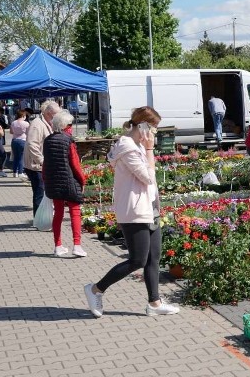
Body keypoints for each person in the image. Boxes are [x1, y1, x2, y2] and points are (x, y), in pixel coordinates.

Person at [83, 106, 179, 318]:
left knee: (154, 257)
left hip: (149, 208)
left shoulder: (136, 145)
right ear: (143, 126)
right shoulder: (128, 148)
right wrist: (150, 149)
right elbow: (148, 177)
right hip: (134, 211)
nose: (155, 134)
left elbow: (149, 184)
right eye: (154, 129)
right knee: (137, 260)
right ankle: (95, 289)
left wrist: (157, 203)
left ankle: (154, 303)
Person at [42, 110, 86, 258]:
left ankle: (58, 246)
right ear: (65, 125)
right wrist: (82, 180)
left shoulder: (48, 140)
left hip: (53, 181)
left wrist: (45, 180)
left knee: (58, 213)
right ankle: (77, 246)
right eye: (70, 124)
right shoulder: (69, 140)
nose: (71, 127)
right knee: (75, 211)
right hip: (69, 180)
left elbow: (45, 164)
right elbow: (75, 164)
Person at [23, 100, 60, 217]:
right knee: (40, 193)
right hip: (36, 166)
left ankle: (42, 219)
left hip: (41, 165)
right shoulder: (37, 124)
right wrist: (42, 161)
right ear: (48, 113)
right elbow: (31, 144)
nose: (56, 118)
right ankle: (40, 221)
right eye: (55, 115)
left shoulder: (46, 122)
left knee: (43, 193)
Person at [10, 109, 29, 178]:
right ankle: (20, 172)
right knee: (21, 157)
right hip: (22, 140)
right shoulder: (26, 123)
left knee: (16, 157)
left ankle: (15, 172)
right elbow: (28, 133)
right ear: (23, 115)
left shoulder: (13, 123)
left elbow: (11, 132)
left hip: (14, 140)